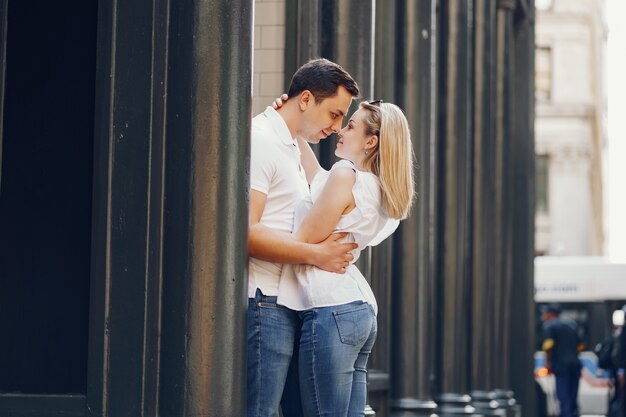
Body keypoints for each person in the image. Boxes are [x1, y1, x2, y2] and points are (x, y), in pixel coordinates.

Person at [274, 96, 415, 416]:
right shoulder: (378, 188)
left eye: (350, 125)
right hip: (357, 312)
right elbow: (314, 179)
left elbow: (302, 241)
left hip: (330, 310)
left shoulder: (345, 175)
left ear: (371, 141)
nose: (340, 130)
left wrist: (311, 251)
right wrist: (291, 123)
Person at [247, 58, 361, 417]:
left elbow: (323, 185)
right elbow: (245, 232)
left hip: (289, 302)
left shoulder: (290, 145)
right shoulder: (262, 140)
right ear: (307, 99)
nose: (336, 127)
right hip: (264, 301)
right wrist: (316, 255)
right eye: (334, 114)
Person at [541, 303, 584, 417]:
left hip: (561, 366)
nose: (542, 317)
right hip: (575, 365)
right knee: (573, 396)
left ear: (550, 314)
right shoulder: (571, 324)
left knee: (563, 396)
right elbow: (580, 346)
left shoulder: (549, 326)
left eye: (544, 314)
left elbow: (548, 346)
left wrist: (548, 362)